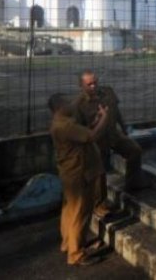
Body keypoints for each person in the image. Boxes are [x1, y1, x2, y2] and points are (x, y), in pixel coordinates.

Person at [73, 70, 144, 217]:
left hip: (113, 133)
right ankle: (99, 204)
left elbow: (116, 112)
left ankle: (133, 183)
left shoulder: (108, 92)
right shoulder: (79, 104)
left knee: (134, 150)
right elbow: (81, 130)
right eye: (89, 84)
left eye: (95, 82)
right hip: (97, 139)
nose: (93, 86)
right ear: (81, 86)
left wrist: (124, 128)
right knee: (100, 172)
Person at [48, 94, 108, 266]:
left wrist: (96, 120)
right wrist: (104, 117)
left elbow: (85, 132)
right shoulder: (66, 126)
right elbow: (92, 136)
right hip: (78, 173)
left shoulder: (62, 123)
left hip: (70, 173)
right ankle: (76, 254)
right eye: (67, 102)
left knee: (69, 210)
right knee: (79, 213)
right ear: (60, 107)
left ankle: (68, 243)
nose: (70, 105)